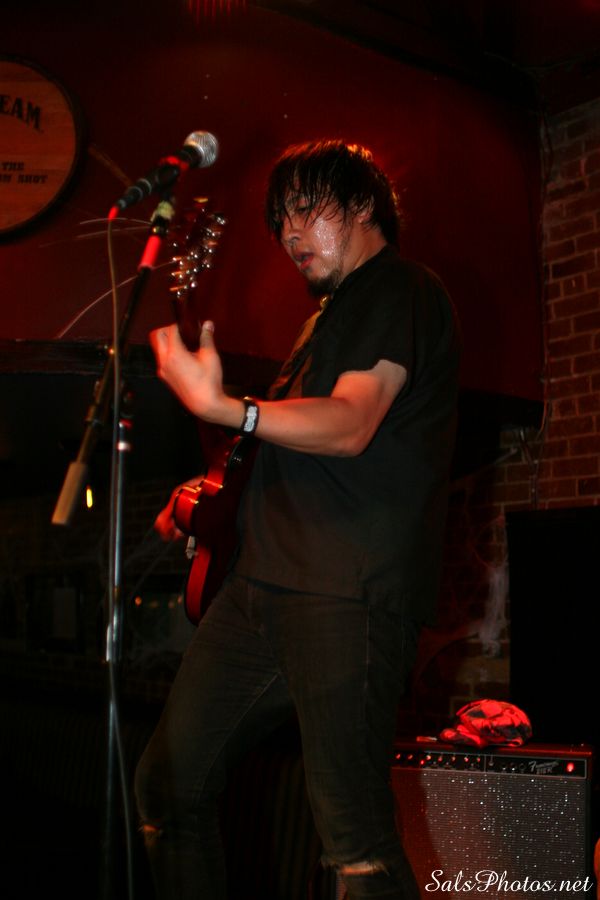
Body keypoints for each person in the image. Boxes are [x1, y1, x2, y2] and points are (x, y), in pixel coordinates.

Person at [135, 139, 460, 900]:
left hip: (347, 590)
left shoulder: (400, 288)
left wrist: (228, 408)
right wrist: (209, 493)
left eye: (306, 210)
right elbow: (293, 445)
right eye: (279, 220)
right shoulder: (323, 320)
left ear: (363, 206)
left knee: (353, 837)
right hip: (260, 585)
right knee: (167, 788)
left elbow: (350, 423)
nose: (288, 234)